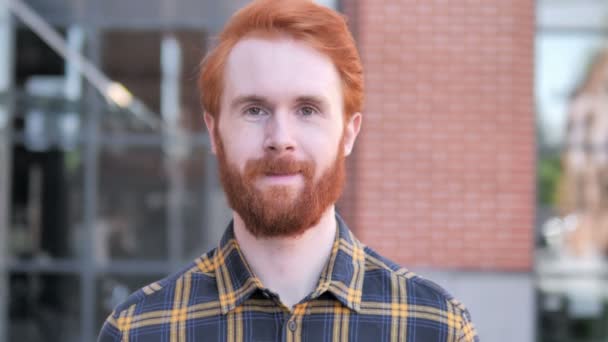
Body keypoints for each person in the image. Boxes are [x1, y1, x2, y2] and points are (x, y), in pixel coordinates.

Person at [98, 0, 478, 341]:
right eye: (254, 110)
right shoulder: (140, 330)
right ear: (215, 133)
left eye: (307, 110)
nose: (280, 139)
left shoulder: (436, 328)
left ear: (348, 133)